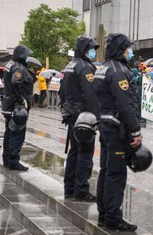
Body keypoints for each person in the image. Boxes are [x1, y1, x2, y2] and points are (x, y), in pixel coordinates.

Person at [94, 33, 141, 232]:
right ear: (121, 49)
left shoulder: (102, 68)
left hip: (105, 125)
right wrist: (136, 130)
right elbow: (125, 104)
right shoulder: (118, 71)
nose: (130, 51)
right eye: (128, 48)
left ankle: (104, 213)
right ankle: (113, 217)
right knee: (116, 174)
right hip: (117, 129)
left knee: (106, 171)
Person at [62, 36, 99, 202]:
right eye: (91, 49)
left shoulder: (70, 65)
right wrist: (96, 118)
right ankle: (81, 189)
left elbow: (62, 92)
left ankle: (69, 188)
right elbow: (91, 94)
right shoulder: (85, 67)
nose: (93, 52)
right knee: (84, 152)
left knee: (74, 151)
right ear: (85, 49)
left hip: (71, 114)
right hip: (83, 115)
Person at [2, 45, 33, 171]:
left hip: (9, 104)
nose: (28, 58)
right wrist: (21, 99)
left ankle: (7, 159)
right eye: (27, 55)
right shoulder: (19, 67)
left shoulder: (10, 64)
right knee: (17, 133)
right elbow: (16, 82)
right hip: (16, 106)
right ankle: (13, 161)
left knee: (9, 132)